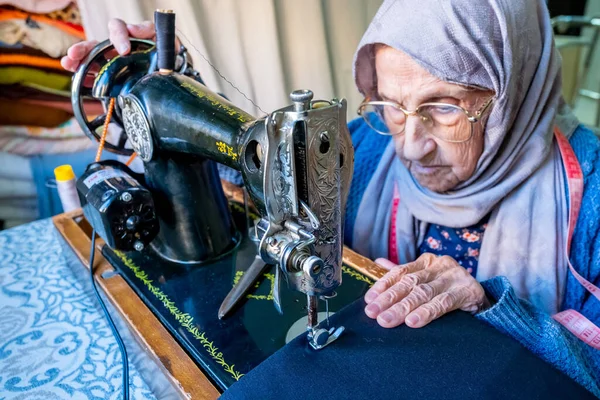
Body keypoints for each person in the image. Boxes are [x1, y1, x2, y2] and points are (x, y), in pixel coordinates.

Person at [62, 0, 599, 396]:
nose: (410, 146)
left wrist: (492, 307)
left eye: (445, 107)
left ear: (515, 89)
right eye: (390, 102)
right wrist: (172, 83)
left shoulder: (589, 190)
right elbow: (265, 164)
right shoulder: (366, 145)